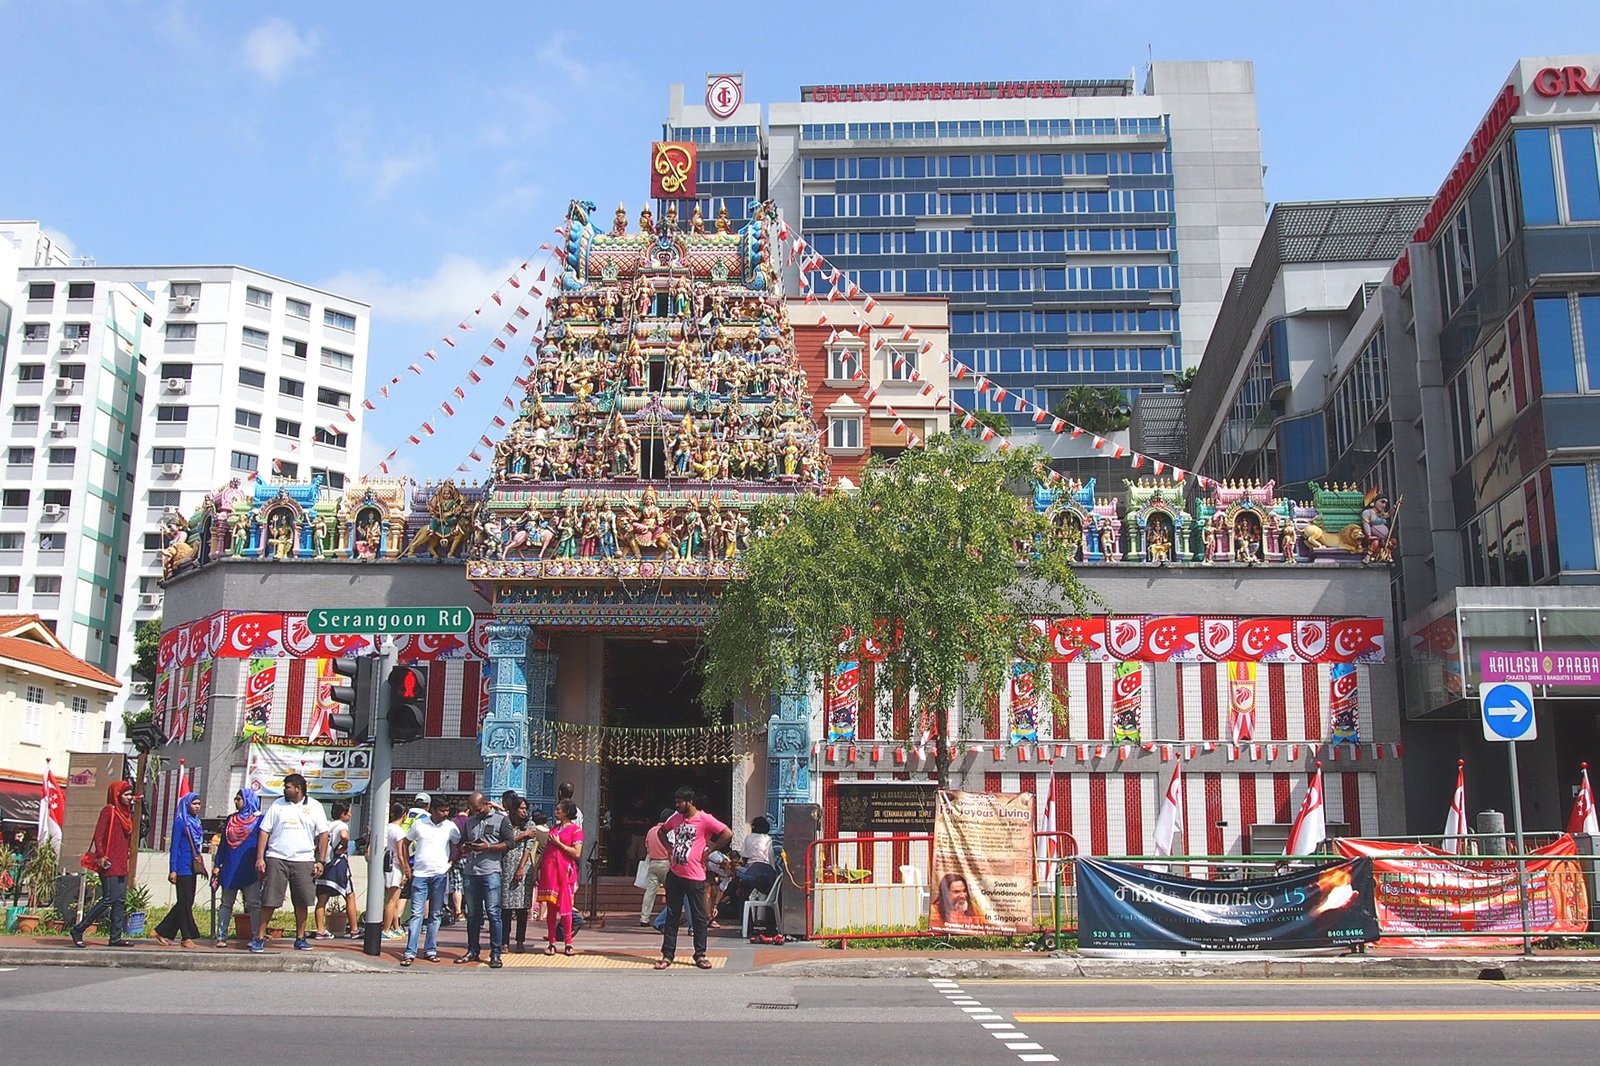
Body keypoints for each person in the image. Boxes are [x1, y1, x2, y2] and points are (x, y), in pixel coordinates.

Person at [653, 786, 732, 971]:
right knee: (672, 915)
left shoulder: (704, 819)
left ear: (690, 802)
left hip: (695, 875)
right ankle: (667, 954)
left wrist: (710, 849)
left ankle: (700, 954)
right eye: (676, 801)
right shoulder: (676, 818)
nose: (677, 805)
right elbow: (661, 831)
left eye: (680, 801)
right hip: (675, 873)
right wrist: (669, 848)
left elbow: (727, 833)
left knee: (698, 917)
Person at [250, 772, 330, 953]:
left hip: (304, 860)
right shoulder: (277, 805)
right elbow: (264, 831)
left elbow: (323, 834)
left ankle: (300, 938)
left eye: (287, 787)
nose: (284, 790)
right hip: (277, 858)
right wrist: (260, 858)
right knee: (269, 899)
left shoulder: (315, 807)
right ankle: (259, 937)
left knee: (302, 901)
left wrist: (321, 860)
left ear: (298, 789)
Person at [71, 780, 137, 947]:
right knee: (108, 898)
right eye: (126, 794)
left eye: (130, 794)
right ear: (116, 795)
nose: (129, 797)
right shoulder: (109, 811)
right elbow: (99, 835)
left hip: (121, 862)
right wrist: (101, 855)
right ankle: (79, 929)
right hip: (108, 861)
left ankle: (115, 937)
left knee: (120, 900)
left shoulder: (127, 813)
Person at [399, 795, 460, 966]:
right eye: (442, 810)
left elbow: (459, 845)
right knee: (417, 914)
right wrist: (406, 867)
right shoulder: (419, 824)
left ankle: (430, 949)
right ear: (432, 810)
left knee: (435, 914)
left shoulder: (450, 826)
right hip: (420, 874)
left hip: (440, 874)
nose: (445, 813)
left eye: (447, 810)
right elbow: (404, 843)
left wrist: (452, 862)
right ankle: (410, 951)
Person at [457, 791, 511, 968]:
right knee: (473, 914)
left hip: (491, 871)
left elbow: (510, 843)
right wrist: (465, 846)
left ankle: (496, 953)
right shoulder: (470, 821)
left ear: (486, 804)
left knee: (493, 913)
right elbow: (462, 842)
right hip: (471, 871)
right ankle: (473, 949)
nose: (476, 813)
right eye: (473, 810)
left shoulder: (501, 820)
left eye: (479, 809)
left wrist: (489, 847)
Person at [154, 791, 206, 947]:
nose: (197, 807)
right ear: (186, 805)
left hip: (193, 867)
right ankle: (186, 937)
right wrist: (173, 869)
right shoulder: (180, 822)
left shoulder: (196, 823)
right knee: (184, 903)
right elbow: (174, 847)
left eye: (199, 804)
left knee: (186, 902)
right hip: (182, 867)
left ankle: (161, 931)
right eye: (194, 804)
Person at [213, 788, 263, 947]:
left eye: (239, 799)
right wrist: (217, 865)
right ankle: (221, 937)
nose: (236, 801)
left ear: (248, 800)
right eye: (235, 798)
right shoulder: (230, 820)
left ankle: (257, 936)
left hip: (250, 868)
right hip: (230, 868)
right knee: (226, 903)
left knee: (254, 904)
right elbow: (223, 845)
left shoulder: (260, 820)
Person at [537, 799, 583, 955]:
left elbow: (577, 853)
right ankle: (552, 942)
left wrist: (559, 844)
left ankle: (568, 942)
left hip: (565, 872)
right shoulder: (554, 828)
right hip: (550, 872)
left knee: (566, 909)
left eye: (559, 810)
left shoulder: (575, 830)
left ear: (566, 812)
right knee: (551, 909)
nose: (556, 812)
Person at [313, 799, 360, 939]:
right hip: (338, 864)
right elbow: (344, 836)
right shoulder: (341, 825)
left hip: (324, 864)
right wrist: (344, 846)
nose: (350, 815)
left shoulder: (326, 825)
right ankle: (354, 929)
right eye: (349, 812)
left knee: (322, 899)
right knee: (350, 895)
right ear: (343, 814)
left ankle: (320, 930)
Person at [500, 797, 541, 953]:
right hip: (506, 865)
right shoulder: (506, 823)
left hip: (523, 867)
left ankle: (520, 940)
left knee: (522, 908)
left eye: (525, 808)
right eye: (521, 808)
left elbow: (528, 848)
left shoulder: (530, 824)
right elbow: (506, 841)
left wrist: (521, 867)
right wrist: (523, 834)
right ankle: (504, 940)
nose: (524, 811)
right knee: (506, 908)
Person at [638, 807, 672, 927]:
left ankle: (644, 918)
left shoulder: (651, 830)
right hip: (666, 863)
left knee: (650, 892)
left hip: (652, 863)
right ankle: (670, 916)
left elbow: (647, 847)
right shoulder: (668, 831)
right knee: (672, 892)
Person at [731, 816, 777, 903]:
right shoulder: (767, 838)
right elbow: (770, 856)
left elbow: (744, 855)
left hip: (751, 871)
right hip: (765, 871)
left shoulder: (748, 837)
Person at [381, 802, 408, 939]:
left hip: (386, 865)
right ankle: (386, 929)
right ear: (404, 815)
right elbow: (401, 853)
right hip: (395, 866)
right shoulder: (399, 831)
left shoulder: (386, 828)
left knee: (394, 900)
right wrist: (406, 869)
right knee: (392, 900)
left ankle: (396, 927)